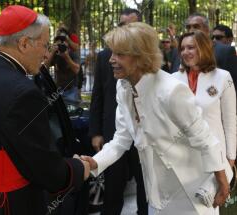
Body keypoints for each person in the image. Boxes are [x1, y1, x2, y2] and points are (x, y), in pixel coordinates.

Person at [0, 5, 89, 215]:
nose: (46, 53)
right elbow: (45, 170)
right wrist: (78, 168)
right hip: (4, 204)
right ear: (24, 43)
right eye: (44, 45)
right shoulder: (24, 94)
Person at [82, 22, 231, 215]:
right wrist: (95, 163)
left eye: (119, 54)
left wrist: (223, 183)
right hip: (157, 194)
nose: (111, 60)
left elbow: (206, 140)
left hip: (193, 194)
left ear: (141, 56)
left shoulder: (171, 90)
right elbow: (121, 140)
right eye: (112, 53)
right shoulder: (123, 87)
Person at [89, 8, 147, 215]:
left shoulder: (149, 59)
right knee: (112, 189)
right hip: (114, 133)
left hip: (143, 138)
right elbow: (98, 95)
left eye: (131, 25)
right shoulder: (106, 56)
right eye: (123, 25)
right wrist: (96, 131)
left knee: (145, 188)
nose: (126, 30)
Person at [172, 31, 236, 214]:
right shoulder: (173, 79)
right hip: (180, 158)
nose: (185, 52)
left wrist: (229, 161)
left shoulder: (223, 77)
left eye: (191, 47)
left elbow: (230, 121)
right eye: (182, 48)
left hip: (213, 161)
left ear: (204, 48)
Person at [170, 13, 237, 89]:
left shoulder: (224, 51)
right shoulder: (176, 52)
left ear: (207, 30)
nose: (191, 30)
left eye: (196, 26)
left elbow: (232, 86)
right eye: (188, 27)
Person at [45, 25, 80, 102]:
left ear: (68, 42)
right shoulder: (55, 53)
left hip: (71, 89)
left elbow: (77, 70)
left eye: (63, 40)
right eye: (59, 41)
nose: (61, 43)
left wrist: (66, 57)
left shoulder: (72, 53)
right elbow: (44, 67)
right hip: (58, 90)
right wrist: (52, 52)